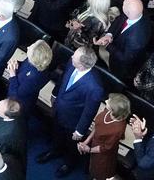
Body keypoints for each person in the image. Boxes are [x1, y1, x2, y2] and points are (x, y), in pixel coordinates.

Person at [39, 45, 105, 174]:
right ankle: (55, 150)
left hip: (73, 120)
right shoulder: (72, 62)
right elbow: (63, 79)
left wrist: (80, 131)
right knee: (57, 133)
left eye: (74, 56)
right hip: (59, 110)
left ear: (82, 64)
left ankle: (69, 163)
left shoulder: (95, 87)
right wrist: (54, 94)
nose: (71, 56)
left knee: (71, 145)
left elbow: (89, 110)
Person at [80, 93, 130, 180]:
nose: (106, 101)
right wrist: (86, 142)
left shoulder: (117, 129)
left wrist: (89, 150)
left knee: (100, 171)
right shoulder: (107, 111)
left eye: (109, 101)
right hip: (95, 144)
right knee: (92, 166)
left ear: (115, 110)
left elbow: (106, 148)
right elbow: (97, 127)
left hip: (103, 155)